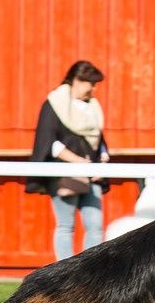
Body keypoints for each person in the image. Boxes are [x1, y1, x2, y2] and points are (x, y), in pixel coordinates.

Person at [26, 60, 110, 261]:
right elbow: (49, 142)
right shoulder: (54, 104)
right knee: (66, 225)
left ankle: (92, 271)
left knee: (95, 226)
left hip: (91, 174)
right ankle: (65, 272)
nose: (94, 88)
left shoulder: (92, 106)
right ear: (78, 80)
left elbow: (98, 138)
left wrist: (103, 161)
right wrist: (78, 162)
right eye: (91, 83)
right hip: (64, 173)